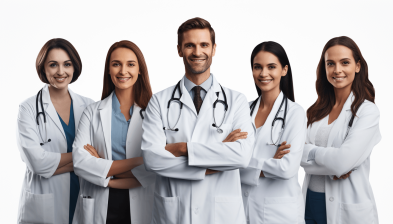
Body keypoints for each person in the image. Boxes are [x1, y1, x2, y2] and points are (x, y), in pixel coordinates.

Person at [141, 17, 255, 224]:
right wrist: (216, 158)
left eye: (204, 45)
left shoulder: (236, 100)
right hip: (175, 213)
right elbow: (152, 159)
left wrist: (183, 148)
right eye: (189, 45)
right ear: (179, 50)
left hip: (221, 215)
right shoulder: (159, 101)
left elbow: (242, 156)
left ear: (213, 49)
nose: (197, 52)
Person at [72, 40, 156, 224]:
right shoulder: (92, 112)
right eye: (116, 64)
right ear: (108, 70)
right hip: (99, 205)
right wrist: (141, 161)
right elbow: (79, 162)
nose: (123, 71)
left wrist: (103, 169)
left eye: (130, 64)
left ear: (140, 70)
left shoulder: (154, 114)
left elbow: (156, 170)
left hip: (142, 203)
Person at [301, 36, 381, 224]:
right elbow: (295, 155)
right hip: (309, 204)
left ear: (358, 66)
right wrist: (332, 161)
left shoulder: (367, 112)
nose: (337, 70)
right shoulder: (315, 111)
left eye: (345, 62)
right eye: (330, 64)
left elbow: (341, 163)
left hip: (348, 209)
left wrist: (310, 153)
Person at [16, 38, 94, 224]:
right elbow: (37, 163)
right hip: (44, 205)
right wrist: (82, 159)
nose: (61, 71)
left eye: (67, 64)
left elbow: (101, 158)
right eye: (53, 65)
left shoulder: (89, 106)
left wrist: (53, 165)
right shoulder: (28, 109)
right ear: (43, 68)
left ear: (74, 67)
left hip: (82, 197)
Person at [240, 41, 306, 224]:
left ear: (284, 70)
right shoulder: (242, 111)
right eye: (257, 67)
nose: (263, 73)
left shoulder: (295, 113)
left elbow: (287, 168)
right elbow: (226, 164)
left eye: (271, 67)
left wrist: (242, 163)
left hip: (280, 215)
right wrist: (269, 163)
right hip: (243, 210)